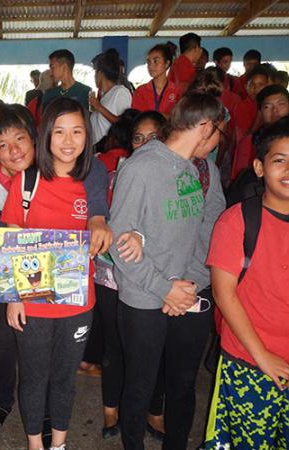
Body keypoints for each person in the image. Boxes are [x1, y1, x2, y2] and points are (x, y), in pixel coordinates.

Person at [0, 103, 112, 440]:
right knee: (35, 378)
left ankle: (60, 443)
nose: (68, 140)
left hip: (78, 304)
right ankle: (35, 444)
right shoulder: (26, 182)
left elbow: (103, 221)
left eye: (77, 131)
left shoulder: (94, 178)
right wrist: (13, 298)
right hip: (32, 304)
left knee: (65, 379)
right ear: (46, 136)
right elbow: (10, 241)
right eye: (60, 132)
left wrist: (103, 230)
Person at [109, 92, 225, 450]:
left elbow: (204, 231)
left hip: (188, 295)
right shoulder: (141, 167)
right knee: (140, 387)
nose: (220, 140)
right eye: (219, 131)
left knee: (182, 384)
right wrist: (164, 288)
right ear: (206, 126)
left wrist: (186, 286)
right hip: (144, 300)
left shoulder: (196, 168)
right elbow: (118, 241)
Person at [204, 114, 289, 449]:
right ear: (259, 167)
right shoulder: (236, 221)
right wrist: (263, 356)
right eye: (280, 160)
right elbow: (223, 293)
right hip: (248, 362)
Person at [93, 110, 166, 440]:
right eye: (138, 139)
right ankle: (111, 410)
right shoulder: (115, 173)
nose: (146, 145)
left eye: (154, 138)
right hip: (111, 272)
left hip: (154, 276)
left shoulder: (176, 176)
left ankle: (155, 409)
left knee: (155, 348)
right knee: (114, 346)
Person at [231, 65, 271, 180]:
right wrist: (260, 113)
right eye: (252, 85)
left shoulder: (270, 105)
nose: (255, 89)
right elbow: (247, 134)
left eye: (260, 85)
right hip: (246, 153)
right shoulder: (242, 106)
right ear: (246, 87)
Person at [89, 49, 132, 146]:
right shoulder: (104, 96)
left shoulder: (120, 92)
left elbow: (123, 123)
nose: (94, 77)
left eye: (95, 72)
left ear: (101, 74)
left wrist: (99, 107)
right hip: (97, 148)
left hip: (108, 149)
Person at [131, 43, 181, 116]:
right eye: (148, 62)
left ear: (167, 63)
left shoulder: (177, 91)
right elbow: (136, 118)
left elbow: (180, 118)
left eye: (155, 61)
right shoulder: (140, 91)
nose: (151, 66)